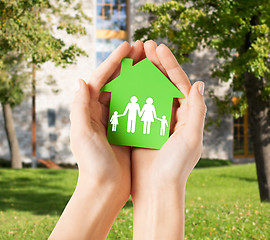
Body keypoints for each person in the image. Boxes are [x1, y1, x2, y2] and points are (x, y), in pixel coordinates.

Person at [49, 40, 206, 240]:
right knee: (132, 125)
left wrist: (158, 187)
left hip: (148, 123)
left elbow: (146, 112)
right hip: (130, 121)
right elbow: (133, 111)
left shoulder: (146, 105)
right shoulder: (134, 105)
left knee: (142, 126)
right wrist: (100, 181)